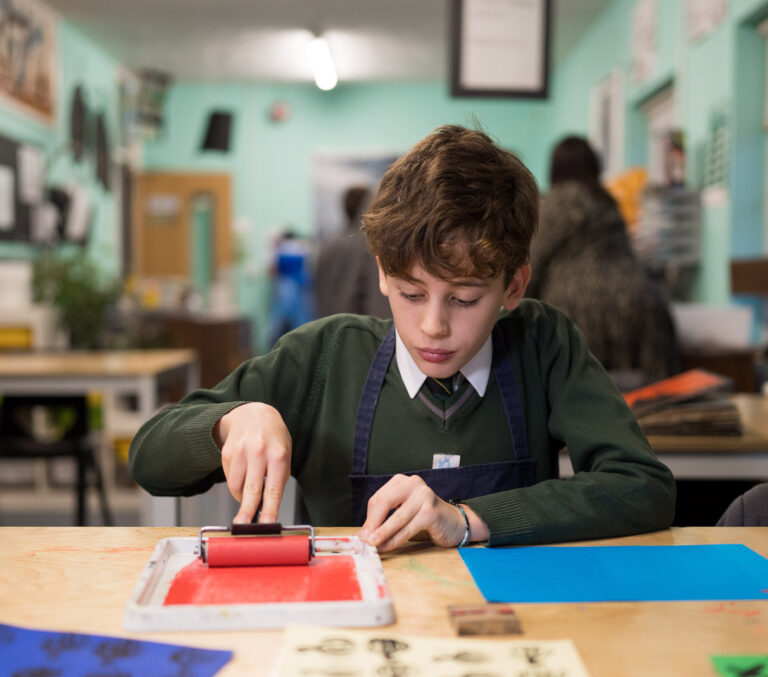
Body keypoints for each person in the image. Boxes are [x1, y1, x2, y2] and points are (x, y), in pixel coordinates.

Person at [129, 125, 675, 552]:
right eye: (412, 294)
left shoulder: (542, 343)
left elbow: (642, 487)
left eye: (464, 299)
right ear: (383, 274)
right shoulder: (324, 357)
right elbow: (149, 458)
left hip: (508, 629)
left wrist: (466, 520)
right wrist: (230, 421)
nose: (434, 325)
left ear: (514, 285)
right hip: (350, 637)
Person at [526, 135, 681, 389]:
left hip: (576, 306)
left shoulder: (556, 203)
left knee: (579, 389)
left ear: (555, 168)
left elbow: (532, 264)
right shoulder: (608, 202)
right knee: (656, 395)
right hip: (641, 300)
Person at [315, 186, 391, 319]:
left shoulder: (328, 245)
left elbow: (317, 285)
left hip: (328, 320)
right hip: (356, 325)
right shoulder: (366, 246)